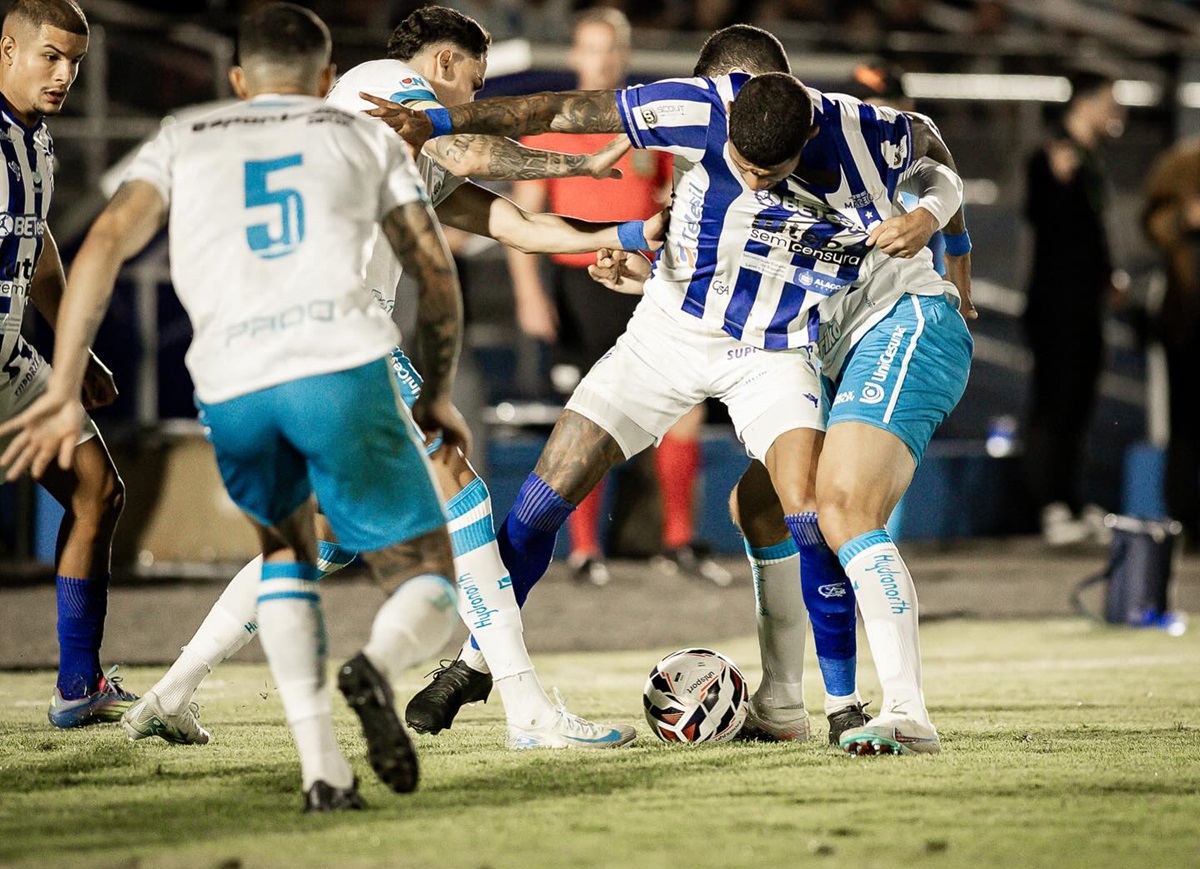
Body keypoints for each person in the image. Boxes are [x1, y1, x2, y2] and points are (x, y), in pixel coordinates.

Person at [362, 22, 968, 748]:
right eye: (740, 161)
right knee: (541, 496)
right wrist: (433, 118)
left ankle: (835, 703)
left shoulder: (857, 131)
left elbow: (933, 153)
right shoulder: (694, 110)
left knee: (803, 510)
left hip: (772, 350)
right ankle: (472, 662)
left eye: (765, 171)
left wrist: (943, 235)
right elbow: (554, 109)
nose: (750, 179)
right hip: (666, 334)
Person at [116, 5, 645, 753]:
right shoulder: (387, 86)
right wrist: (574, 164)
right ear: (442, 64)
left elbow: (516, 226)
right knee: (464, 499)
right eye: (474, 80)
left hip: (271, 339)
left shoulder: (395, 149)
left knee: (318, 540)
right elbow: (467, 150)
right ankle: (526, 709)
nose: (472, 96)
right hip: (336, 327)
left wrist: (620, 236)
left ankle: (169, 693)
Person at [1, 2, 474, 812]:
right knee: (431, 572)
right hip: (334, 365)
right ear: (327, 82)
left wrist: (66, 370)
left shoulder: (189, 132)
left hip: (230, 380)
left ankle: (322, 768)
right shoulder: (365, 136)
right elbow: (433, 276)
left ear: (235, 79)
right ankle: (376, 671)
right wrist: (435, 391)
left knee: (285, 554)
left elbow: (104, 243)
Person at [506, 8, 728, 587]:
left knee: (686, 407)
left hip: (645, 280)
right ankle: (583, 549)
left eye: (611, 50)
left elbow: (672, 205)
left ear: (623, 56)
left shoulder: (650, 126)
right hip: (579, 285)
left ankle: (678, 541)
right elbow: (521, 216)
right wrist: (530, 295)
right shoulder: (550, 121)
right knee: (588, 412)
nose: (601, 60)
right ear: (576, 56)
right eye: (591, 49)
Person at [0, 0, 135, 729]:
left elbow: (38, 239)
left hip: (8, 360)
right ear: (7, 49)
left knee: (97, 490)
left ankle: (78, 685)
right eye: (50, 56)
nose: (64, 74)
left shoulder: (37, 144)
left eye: (75, 62)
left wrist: (74, 351)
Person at [1022, 71, 1125, 546]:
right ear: (1083, 103)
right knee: (1055, 402)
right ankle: (1049, 506)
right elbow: (1041, 218)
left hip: (1085, 303)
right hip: (1055, 303)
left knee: (1080, 403)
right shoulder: (1048, 156)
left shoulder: (1090, 160)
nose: (1115, 111)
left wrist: (1108, 277)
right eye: (1108, 100)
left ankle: (1072, 499)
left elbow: (1092, 233)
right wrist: (1058, 183)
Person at [1142, 139, 1200, 544]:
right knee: (1187, 426)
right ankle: (1185, 518)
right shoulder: (1181, 164)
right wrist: (1185, 218)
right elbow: (1153, 221)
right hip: (1188, 321)